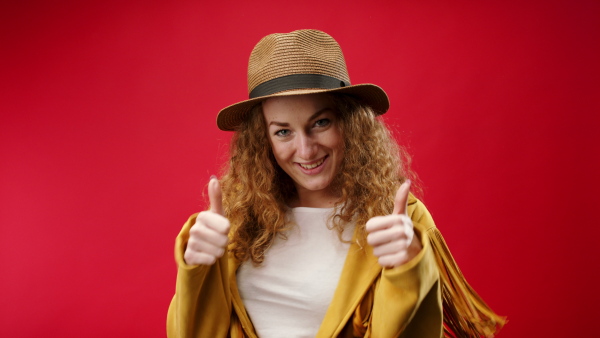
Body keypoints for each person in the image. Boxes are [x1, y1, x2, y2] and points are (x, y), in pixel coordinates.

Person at [167, 29, 505, 337]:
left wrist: (410, 270)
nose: (305, 149)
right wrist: (197, 270)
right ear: (263, 139)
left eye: (320, 122)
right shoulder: (233, 222)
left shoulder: (401, 221)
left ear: (351, 123)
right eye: (283, 131)